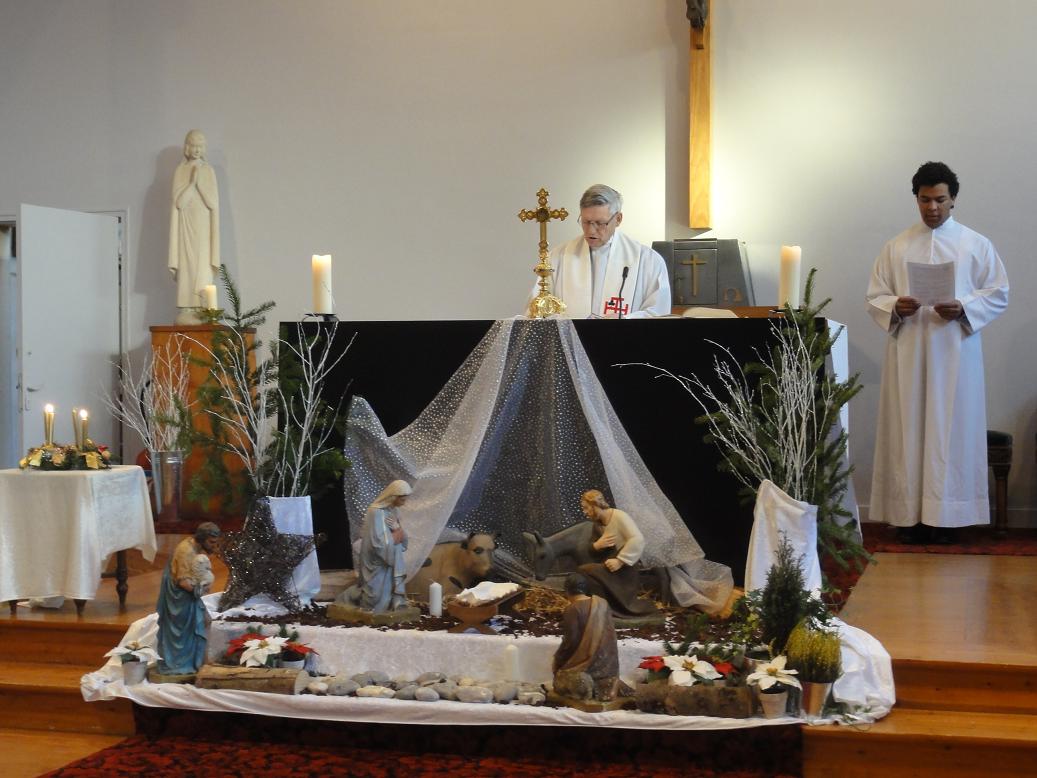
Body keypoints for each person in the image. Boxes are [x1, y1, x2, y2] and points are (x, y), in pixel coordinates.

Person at [866, 161, 1008, 545]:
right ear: (916, 199)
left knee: (952, 429)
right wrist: (897, 305)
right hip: (908, 352)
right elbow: (875, 296)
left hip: (955, 354)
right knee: (908, 427)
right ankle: (908, 517)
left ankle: (950, 517)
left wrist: (964, 307)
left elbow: (998, 292)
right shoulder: (896, 246)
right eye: (925, 200)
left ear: (954, 199)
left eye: (940, 199)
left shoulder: (975, 244)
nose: (933, 208)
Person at [529, 184, 671, 318]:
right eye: (586, 222)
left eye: (599, 223)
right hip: (571, 343)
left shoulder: (648, 261)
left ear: (618, 219)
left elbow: (658, 314)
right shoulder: (558, 257)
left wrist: (625, 320)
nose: (591, 230)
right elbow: (537, 310)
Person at [575, 489, 656, 616]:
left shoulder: (619, 516)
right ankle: (604, 605)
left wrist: (620, 560)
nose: (585, 512)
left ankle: (608, 607)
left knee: (584, 571)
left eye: (586, 508)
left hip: (624, 571)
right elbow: (592, 550)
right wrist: (597, 546)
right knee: (584, 571)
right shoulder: (598, 524)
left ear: (595, 505)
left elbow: (637, 539)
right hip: (608, 568)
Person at [169, 129, 220, 324]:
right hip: (185, 226)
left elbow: (213, 203)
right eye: (193, 146)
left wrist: (200, 184)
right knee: (187, 265)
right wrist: (191, 183)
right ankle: (187, 307)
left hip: (204, 226)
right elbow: (179, 203)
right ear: (187, 147)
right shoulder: (180, 171)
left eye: (200, 146)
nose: (197, 150)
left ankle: (203, 307)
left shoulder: (208, 171)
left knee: (202, 264)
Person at [156, 522, 220, 676]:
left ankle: (202, 661)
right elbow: (182, 581)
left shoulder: (196, 548)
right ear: (202, 538)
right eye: (212, 542)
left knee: (205, 621)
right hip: (179, 599)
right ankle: (181, 664)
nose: (214, 547)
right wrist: (201, 590)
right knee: (187, 629)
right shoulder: (186, 551)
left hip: (189, 596)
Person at [552, 572, 621, 702]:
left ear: (567, 591)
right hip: (610, 664)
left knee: (560, 679)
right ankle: (609, 682)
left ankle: (594, 685)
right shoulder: (602, 603)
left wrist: (558, 659)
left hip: (586, 664)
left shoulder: (572, 609)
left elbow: (570, 642)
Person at [355, 479, 412, 612]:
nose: (405, 502)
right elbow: (379, 544)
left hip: (387, 560)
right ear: (394, 497)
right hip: (376, 562)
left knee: (385, 595)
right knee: (373, 599)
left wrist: (399, 531)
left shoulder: (393, 511)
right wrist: (397, 533)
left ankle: (394, 603)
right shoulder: (375, 512)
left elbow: (400, 540)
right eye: (403, 499)